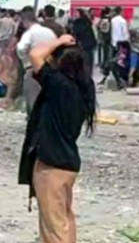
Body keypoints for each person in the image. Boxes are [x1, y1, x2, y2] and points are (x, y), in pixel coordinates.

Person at [18, 34, 96, 243]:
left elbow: (35, 55)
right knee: (65, 219)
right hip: (68, 163)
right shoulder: (83, 88)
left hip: (51, 165)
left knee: (53, 227)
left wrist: (59, 41)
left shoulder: (59, 86)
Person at [17, 8, 58, 116]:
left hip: (33, 69)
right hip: (49, 67)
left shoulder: (29, 33)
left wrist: (26, 61)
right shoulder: (49, 32)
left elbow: (21, 49)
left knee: (33, 100)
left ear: (25, 21)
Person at [71, 9, 97, 77]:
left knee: (84, 63)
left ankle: (85, 77)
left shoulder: (77, 23)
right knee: (89, 62)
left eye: (76, 13)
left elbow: (76, 34)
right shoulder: (88, 22)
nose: (75, 15)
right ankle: (89, 76)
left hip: (82, 45)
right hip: (89, 45)